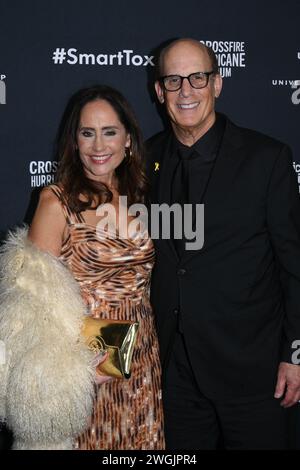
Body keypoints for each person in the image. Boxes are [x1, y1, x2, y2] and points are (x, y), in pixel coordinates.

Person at [146, 38, 300, 450]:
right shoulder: (144, 161)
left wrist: (295, 354)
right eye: (174, 80)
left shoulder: (267, 159)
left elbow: (295, 266)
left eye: (198, 77)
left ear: (218, 83)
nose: (186, 91)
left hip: (256, 374)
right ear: (159, 92)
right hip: (175, 376)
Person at [0, 85, 164, 450]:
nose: (98, 146)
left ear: (128, 141)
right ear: (74, 142)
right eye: (87, 133)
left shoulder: (142, 198)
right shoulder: (55, 201)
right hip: (84, 365)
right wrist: (72, 374)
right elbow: (31, 308)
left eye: (109, 132)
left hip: (141, 360)